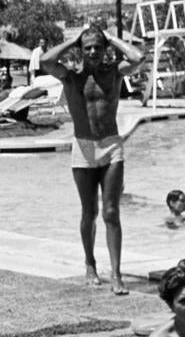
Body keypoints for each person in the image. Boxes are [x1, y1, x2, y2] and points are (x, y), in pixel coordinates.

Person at [40, 24, 143, 295]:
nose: (94, 51)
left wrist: (113, 39)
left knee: (111, 213)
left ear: (105, 48)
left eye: (98, 47)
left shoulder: (114, 72)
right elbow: (45, 61)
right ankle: (90, 263)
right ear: (81, 50)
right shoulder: (72, 77)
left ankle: (117, 274)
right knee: (90, 212)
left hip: (111, 145)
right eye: (88, 48)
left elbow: (138, 59)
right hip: (83, 146)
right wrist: (73, 41)